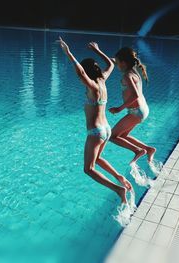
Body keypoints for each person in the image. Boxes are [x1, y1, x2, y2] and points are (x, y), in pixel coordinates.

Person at [57, 37, 132, 203]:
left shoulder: (93, 86)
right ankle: (119, 177)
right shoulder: (102, 81)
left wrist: (68, 52)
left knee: (88, 169)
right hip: (106, 129)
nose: (79, 79)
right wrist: (98, 51)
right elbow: (111, 65)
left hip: (96, 131)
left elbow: (81, 73)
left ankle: (118, 189)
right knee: (97, 159)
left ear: (88, 73)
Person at [108, 47, 156, 164]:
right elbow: (114, 60)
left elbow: (135, 95)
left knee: (112, 136)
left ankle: (138, 151)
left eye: (118, 63)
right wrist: (98, 52)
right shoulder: (134, 71)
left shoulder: (127, 76)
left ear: (123, 63)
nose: (116, 65)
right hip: (143, 110)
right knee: (123, 136)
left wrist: (119, 109)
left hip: (136, 112)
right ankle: (149, 149)